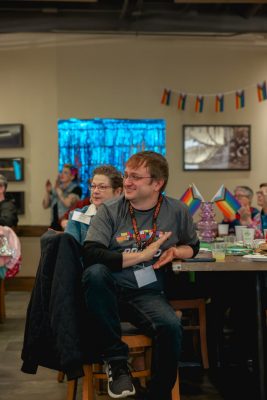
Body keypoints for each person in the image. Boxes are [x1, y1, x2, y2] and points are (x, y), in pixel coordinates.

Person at [82, 151, 199, 400]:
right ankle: (117, 363)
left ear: (157, 183)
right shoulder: (110, 210)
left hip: (146, 292)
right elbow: (92, 253)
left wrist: (176, 250)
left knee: (171, 326)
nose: (127, 182)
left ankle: (158, 393)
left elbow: (194, 246)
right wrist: (143, 256)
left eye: (135, 177)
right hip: (107, 294)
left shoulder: (177, 211)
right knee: (95, 273)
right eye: (126, 175)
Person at [65, 165, 123, 244]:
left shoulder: (126, 217)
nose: (95, 191)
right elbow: (69, 251)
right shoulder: (76, 216)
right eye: (93, 186)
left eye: (102, 187)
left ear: (117, 192)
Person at [42, 164, 82, 230]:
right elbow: (45, 205)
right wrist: (47, 191)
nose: (62, 174)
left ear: (72, 176)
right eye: (61, 172)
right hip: (54, 224)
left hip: (67, 224)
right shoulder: (57, 188)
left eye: (65, 172)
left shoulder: (76, 189)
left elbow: (68, 203)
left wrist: (59, 192)